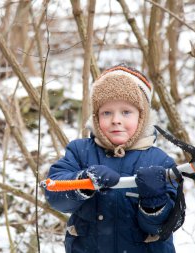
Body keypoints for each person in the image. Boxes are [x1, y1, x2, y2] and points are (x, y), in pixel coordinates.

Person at [45, 64, 177, 253]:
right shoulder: (79, 152)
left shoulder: (160, 161)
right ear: (96, 117)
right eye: (107, 112)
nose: (116, 120)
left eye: (126, 112)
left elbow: (164, 226)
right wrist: (83, 181)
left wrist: (155, 202)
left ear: (142, 117)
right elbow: (55, 195)